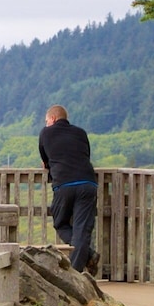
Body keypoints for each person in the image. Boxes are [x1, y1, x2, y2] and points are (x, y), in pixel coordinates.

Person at [38, 105, 98, 274]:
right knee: (82, 228)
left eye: (47, 121)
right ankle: (83, 262)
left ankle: (77, 272)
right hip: (88, 182)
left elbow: (45, 161)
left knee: (60, 223)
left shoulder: (45, 133)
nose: (46, 124)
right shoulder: (81, 133)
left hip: (64, 184)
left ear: (53, 119)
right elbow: (85, 155)